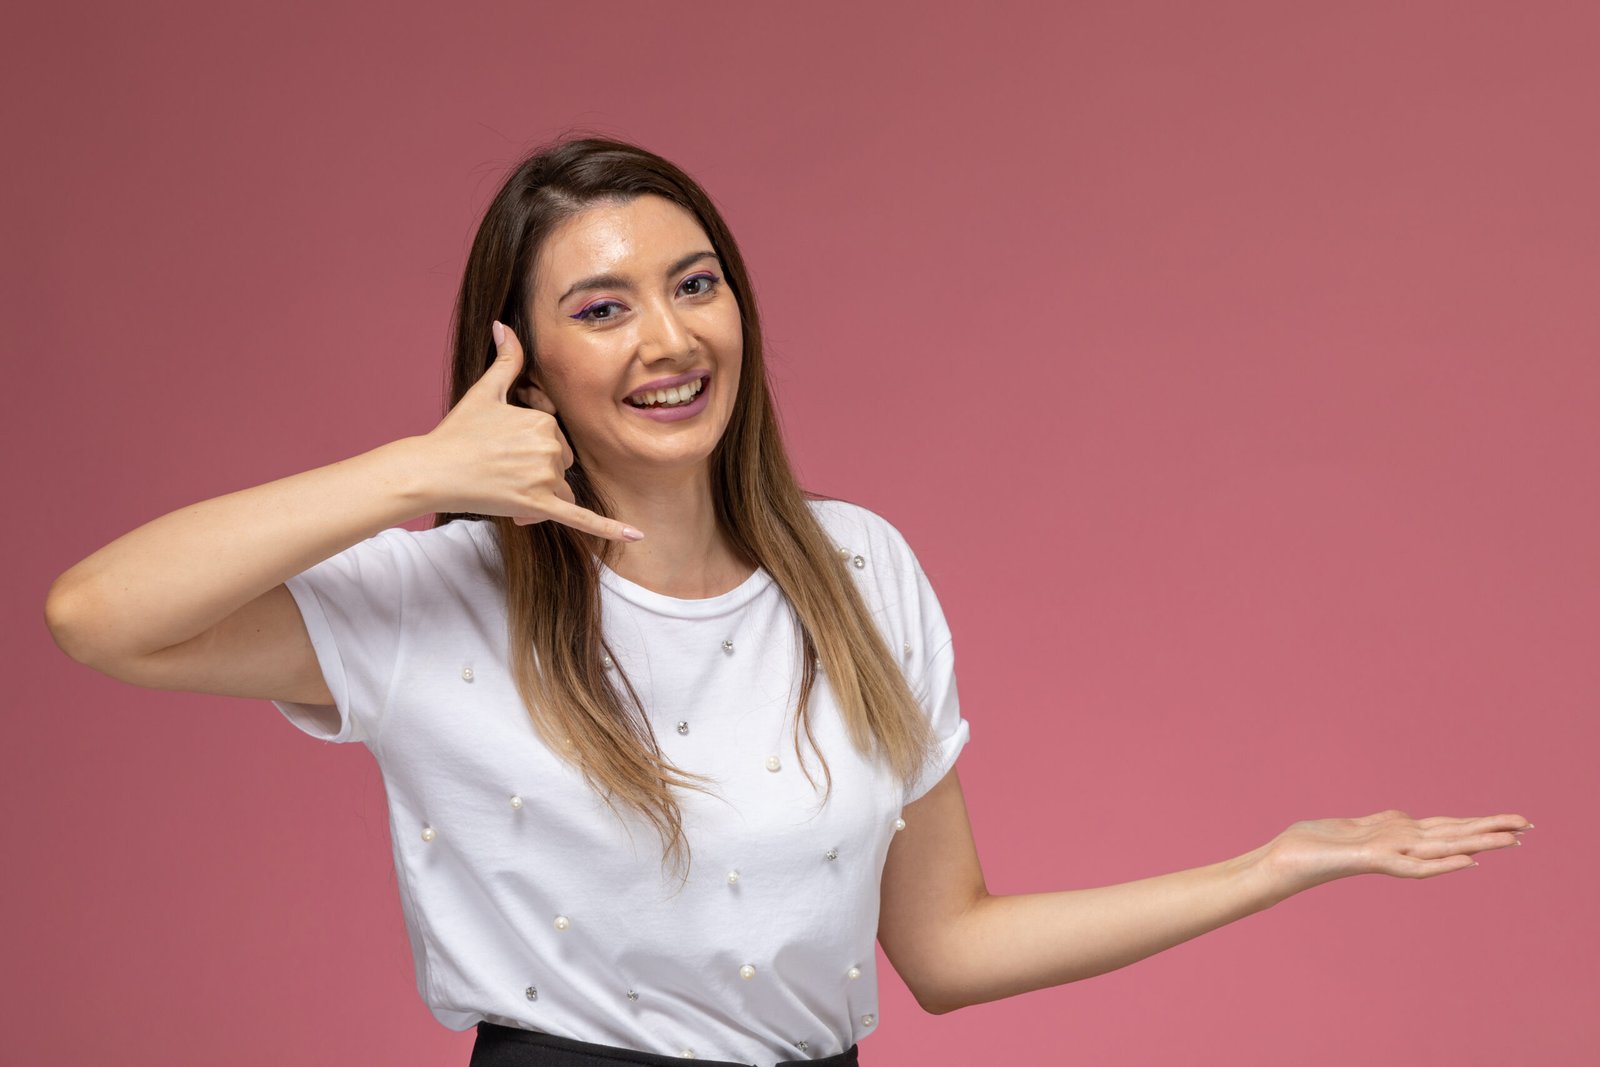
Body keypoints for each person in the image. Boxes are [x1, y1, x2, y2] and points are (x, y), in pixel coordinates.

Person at [43, 134, 1531, 1067]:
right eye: (601, 307)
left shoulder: (861, 571)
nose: (668, 337)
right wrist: (414, 470)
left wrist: (1273, 864)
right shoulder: (444, 597)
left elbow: (944, 951)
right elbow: (98, 613)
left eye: (696, 283)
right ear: (531, 357)